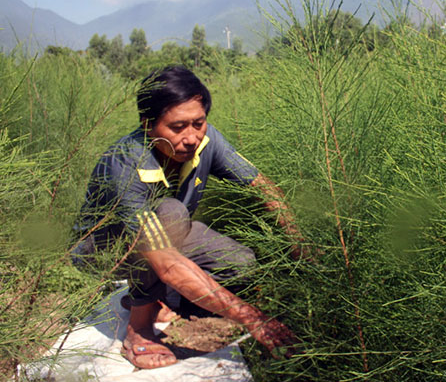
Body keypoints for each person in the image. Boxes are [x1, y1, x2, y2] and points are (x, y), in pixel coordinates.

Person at [73, 66, 304, 369]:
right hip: (103, 249)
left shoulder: (206, 140)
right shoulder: (125, 163)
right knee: (170, 212)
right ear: (147, 125)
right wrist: (251, 318)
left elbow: (263, 188)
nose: (191, 137)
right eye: (177, 127)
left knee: (240, 264)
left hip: (168, 232)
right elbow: (166, 262)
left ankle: (161, 299)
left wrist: (301, 247)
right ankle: (138, 328)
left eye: (199, 123)